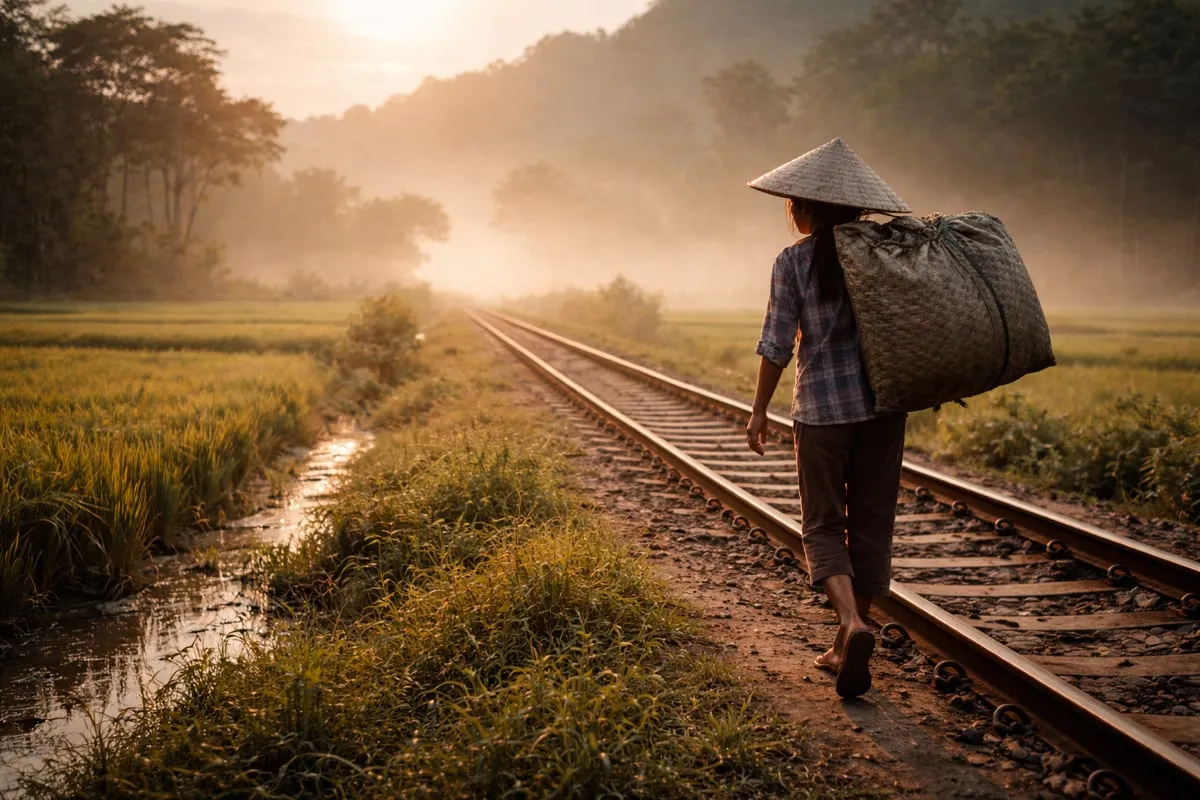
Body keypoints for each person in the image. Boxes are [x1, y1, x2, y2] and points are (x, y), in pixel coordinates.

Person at [743, 138, 911, 699]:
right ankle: (849, 636)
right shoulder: (885, 253)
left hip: (822, 410)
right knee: (870, 520)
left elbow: (775, 344)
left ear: (805, 208)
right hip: (885, 408)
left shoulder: (794, 261)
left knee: (820, 521)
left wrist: (760, 409)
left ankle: (849, 624)